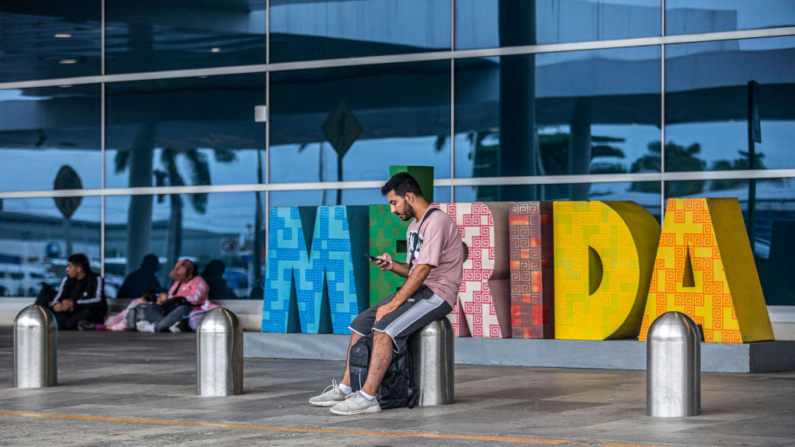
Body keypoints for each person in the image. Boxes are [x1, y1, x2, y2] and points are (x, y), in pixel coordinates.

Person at [310, 172, 466, 415]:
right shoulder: (415, 226)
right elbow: (415, 269)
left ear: (410, 197)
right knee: (361, 323)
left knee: (384, 327)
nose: (393, 210)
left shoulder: (437, 222)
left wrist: (394, 304)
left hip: (437, 294)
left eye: (394, 203)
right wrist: (393, 265)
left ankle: (368, 397)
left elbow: (424, 270)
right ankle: (346, 387)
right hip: (421, 290)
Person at [135, 259, 213, 333]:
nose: (177, 279)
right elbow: (170, 296)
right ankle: (171, 326)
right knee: (149, 308)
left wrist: (172, 298)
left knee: (183, 309)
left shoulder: (199, 282)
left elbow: (196, 299)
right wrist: (162, 299)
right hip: (171, 310)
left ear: (189, 275)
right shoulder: (178, 282)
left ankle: (156, 327)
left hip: (187, 312)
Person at [35, 253, 107, 330]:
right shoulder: (68, 279)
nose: (67, 269)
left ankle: (66, 324)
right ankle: (69, 324)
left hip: (87, 311)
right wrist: (58, 305)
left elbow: (98, 300)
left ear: (79, 269)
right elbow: (58, 297)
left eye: (69, 266)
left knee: (89, 312)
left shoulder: (95, 278)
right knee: (49, 309)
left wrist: (73, 304)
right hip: (72, 313)